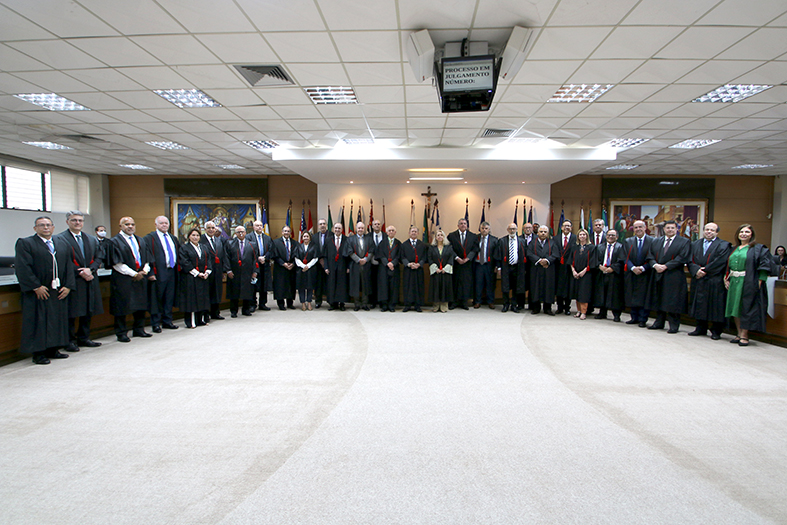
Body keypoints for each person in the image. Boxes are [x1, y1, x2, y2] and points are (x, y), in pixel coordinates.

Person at [15, 216, 75, 364]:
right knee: (39, 322)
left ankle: (54, 349)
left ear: (53, 227)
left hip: (58, 291)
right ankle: (39, 353)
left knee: (57, 320)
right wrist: (35, 286)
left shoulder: (62, 243)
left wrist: (68, 286)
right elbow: (23, 267)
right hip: (39, 291)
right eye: (41, 225)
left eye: (48, 225)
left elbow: (68, 266)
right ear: (35, 228)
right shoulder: (26, 243)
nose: (46, 228)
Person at [56, 210, 103, 351]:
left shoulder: (91, 239)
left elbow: (99, 256)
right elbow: (63, 260)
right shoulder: (60, 239)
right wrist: (81, 271)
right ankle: (69, 340)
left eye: (80, 220)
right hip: (73, 280)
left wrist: (91, 269)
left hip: (90, 279)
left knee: (88, 310)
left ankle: (84, 337)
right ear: (67, 222)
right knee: (72, 312)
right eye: (74, 220)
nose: (77, 223)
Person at [724, 224, 774, 347]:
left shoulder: (758, 249)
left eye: (747, 232)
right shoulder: (733, 248)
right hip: (734, 281)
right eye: (741, 231)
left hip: (748, 281)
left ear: (751, 234)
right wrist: (725, 278)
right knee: (734, 307)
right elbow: (727, 266)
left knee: (746, 307)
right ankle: (739, 332)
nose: (744, 234)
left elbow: (764, 266)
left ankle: (745, 335)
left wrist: (760, 281)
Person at [110, 216, 153, 342]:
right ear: (121, 226)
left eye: (132, 224)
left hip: (140, 277)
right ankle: (121, 332)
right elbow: (116, 263)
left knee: (141, 304)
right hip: (123, 279)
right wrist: (133, 273)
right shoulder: (114, 242)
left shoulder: (140, 240)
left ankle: (139, 329)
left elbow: (147, 259)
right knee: (122, 306)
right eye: (127, 224)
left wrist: (144, 270)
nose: (130, 226)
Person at [687, 223, 732, 340]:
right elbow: (689, 259)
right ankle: (700, 328)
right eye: (707, 229)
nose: (709, 232)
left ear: (717, 232)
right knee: (699, 303)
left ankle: (716, 331)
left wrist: (705, 270)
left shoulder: (724, 245)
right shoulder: (695, 244)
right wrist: (696, 270)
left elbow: (720, 261)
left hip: (714, 279)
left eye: (712, 230)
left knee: (715, 305)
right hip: (698, 278)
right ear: (703, 231)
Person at [646, 220, 690, 333]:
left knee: (673, 300)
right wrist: (655, 265)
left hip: (674, 275)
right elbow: (650, 256)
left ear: (677, 229)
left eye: (672, 228)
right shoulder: (656, 241)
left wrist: (666, 266)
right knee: (658, 298)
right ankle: (659, 322)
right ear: (664, 229)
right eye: (668, 228)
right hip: (658, 273)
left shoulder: (684, 242)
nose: (670, 230)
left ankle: (674, 325)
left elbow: (682, 257)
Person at [144, 216, 179, 332]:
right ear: (156, 225)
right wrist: (150, 272)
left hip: (171, 271)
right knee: (157, 298)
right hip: (158, 272)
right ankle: (155, 323)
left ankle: (167, 321)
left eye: (166, 223)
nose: (164, 225)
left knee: (169, 297)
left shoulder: (173, 238)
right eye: (161, 223)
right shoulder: (150, 238)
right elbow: (147, 257)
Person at [623, 220, 654, 327]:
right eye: (636, 228)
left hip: (645, 273)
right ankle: (634, 317)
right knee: (633, 295)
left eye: (640, 227)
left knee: (643, 296)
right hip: (632, 273)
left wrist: (642, 268)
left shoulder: (652, 241)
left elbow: (653, 257)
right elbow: (624, 257)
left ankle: (643, 319)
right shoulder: (628, 241)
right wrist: (632, 268)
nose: (638, 229)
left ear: (645, 228)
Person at [179, 228, 211, 328]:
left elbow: (208, 260)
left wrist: (207, 272)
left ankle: (200, 319)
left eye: (197, 235)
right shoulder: (184, 248)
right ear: (189, 236)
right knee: (192, 300)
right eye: (193, 235)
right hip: (191, 277)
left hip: (203, 277)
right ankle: (191, 321)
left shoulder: (204, 247)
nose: (195, 237)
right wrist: (197, 273)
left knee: (202, 298)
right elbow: (185, 262)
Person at [224, 225, 258, 317]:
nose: (241, 233)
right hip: (234, 272)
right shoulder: (230, 243)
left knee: (247, 292)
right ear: (235, 234)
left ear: (245, 233)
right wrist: (228, 270)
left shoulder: (252, 244)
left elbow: (255, 259)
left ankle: (246, 310)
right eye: (239, 232)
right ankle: (234, 311)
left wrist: (255, 271)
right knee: (234, 292)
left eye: (242, 231)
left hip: (248, 272)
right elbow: (226, 258)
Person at [594, 229, 625, 322]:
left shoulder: (621, 247)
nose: (610, 237)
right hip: (602, 273)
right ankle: (602, 312)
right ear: (606, 236)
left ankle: (616, 315)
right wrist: (599, 266)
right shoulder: (599, 247)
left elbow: (621, 260)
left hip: (614, 274)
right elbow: (595, 259)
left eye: (613, 235)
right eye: (609, 235)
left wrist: (612, 268)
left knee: (615, 295)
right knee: (602, 293)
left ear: (617, 237)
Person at [496, 223, 528, 313]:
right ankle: (506, 304)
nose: (512, 231)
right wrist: (499, 267)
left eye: (514, 229)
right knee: (505, 287)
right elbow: (498, 255)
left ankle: (514, 305)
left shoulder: (522, 241)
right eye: (510, 229)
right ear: (507, 230)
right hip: (506, 267)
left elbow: (525, 255)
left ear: (517, 230)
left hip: (517, 268)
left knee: (516, 287)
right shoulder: (502, 241)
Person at [447, 218, 477, 310]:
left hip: (467, 264)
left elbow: (475, 249)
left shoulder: (473, 236)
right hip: (456, 263)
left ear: (467, 225)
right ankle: (454, 302)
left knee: (466, 283)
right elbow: (449, 248)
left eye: (465, 223)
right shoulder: (451, 236)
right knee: (455, 282)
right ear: (458, 225)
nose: (463, 225)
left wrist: (468, 258)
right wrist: (457, 258)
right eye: (461, 223)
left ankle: (464, 302)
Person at [528, 225, 557, 315]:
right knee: (535, 287)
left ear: (548, 233)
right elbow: (529, 253)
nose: (543, 233)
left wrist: (547, 261)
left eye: (545, 232)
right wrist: (539, 260)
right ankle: (536, 308)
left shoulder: (552, 243)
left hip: (548, 269)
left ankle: (547, 308)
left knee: (548, 288)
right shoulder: (532, 243)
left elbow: (555, 254)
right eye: (541, 231)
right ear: (538, 233)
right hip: (536, 269)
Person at [200, 221, 226, 320]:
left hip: (218, 270)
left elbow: (222, 255)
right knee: (207, 292)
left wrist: (224, 270)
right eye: (209, 228)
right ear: (205, 229)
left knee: (217, 291)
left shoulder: (218, 240)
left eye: (213, 228)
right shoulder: (201, 240)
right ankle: (206, 314)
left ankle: (216, 313)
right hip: (206, 271)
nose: (211, 230)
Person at [400, 226, 428, 312]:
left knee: (418, 287)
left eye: (415, 231)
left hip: (418, 269)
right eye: (412, 231)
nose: (413, 233)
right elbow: (402, 257)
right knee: (407, 287)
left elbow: (425, 257)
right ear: (409, 233)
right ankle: (407, 305)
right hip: (408, 269)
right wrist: (408, 264)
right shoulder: (404, 245)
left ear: (418, 233)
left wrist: (420, 264)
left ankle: (417, 305)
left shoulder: (422, 245)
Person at [347, 222, 373, 311]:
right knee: (355, 285)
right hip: (355, 265)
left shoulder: (369, 239)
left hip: (366, 265)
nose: (360, 230)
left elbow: (371, 251)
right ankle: (357, 304)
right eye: (359, 228)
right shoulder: (351, 239)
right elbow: (350, 251)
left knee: (366, 284)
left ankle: (365, 304)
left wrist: (365, 259)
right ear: (356, 229)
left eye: (362, 228)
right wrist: (358, 260)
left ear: (364, 229)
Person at [323, 222, 349, 311]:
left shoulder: (346, 240)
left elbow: (349, 255)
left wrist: (348, 267)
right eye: (336, 228)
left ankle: (342, 303)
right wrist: (325, 267)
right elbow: (325, 255)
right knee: (332, 284)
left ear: (342, 230)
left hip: (343, 265)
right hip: (331, 266)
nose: (337, 230)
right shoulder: (328, 240)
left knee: (341, 285)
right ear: (333, 229)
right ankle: (332, 304)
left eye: (339, 228)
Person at [375, 225, 401, 312]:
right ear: (386, 232)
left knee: (393, 286)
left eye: (392, 230)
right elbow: (380, 255)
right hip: (383, 268)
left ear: (395, 232)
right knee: (383, 286)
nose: (391, 232)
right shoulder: (382, 243)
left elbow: (399, 255)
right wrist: (387, 263)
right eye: (389, 230)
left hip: (394, 268)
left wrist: (393, 263)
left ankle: (392, 305)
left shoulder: (398, 243)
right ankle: (384, 305)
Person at [553, 219, 577, 315]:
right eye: (565, 226)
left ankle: (567, 307)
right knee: (559, 287)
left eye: (569, 226)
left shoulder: (575, 238)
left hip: (570, 266)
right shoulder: (555, 238)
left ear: (571, 228)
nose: (566, 227)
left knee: (568, 288)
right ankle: (559, 307)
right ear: (561, 228)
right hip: (558, 266)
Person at [271, 225, 298, 310]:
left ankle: (290, 303)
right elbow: (274, 255)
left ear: (290, 233)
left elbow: (298, 255)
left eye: (288, 231)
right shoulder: (275, 242)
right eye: (285, 231)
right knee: (280, 286)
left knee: (291, 285)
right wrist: (283, 264)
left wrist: (293, 264)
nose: (286, 233)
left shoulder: (295, 243)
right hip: (280, 268)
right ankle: (281, 304)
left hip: (291, 268)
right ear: (282, 232)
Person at [428, 230, 455, 312]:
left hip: (445, 271)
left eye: (441, 235)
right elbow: (430, 259)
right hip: (436, 271)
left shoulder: (449, 247)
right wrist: (435, 268)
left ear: (444, 237)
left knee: (445, 289)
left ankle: (444, 306)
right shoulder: (431, 248)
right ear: (435, 237)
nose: (440, 236)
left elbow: (451, 258)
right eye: (438, 235)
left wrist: (445, 269)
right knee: (436, 289)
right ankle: (436, 306)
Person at [248, 220, 272, 312]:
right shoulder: (248, 237)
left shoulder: (267, 238)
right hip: (254, 264)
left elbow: (271, 249)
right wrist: (257, 258)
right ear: (253, 227)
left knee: (264, 284)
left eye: (260, 225)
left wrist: (264, 257)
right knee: (253, 284)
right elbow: (248, 250)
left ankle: (263, 303)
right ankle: (253, 304)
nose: (259, 227)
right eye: (257, 225)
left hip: (264, 264)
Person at [570, 228, 594, 320]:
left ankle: (584, 312)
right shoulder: (574, 247)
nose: (582, 236)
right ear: (578, 236)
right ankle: (579, 310)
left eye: (584, 234)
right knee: (577, 292)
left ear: (587, 236)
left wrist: (584, 271)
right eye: (580, 235)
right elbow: (571, 260)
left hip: (586, 274)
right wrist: (574, 271)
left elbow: (592, 262)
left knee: (584, 293)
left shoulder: (591, 247)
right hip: (576, 274)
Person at [473, 221, 497, 309]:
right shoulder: (476, 238)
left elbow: (496, 254)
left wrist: (496, 266)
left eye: (486, 228)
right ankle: (477, 301)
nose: (484, 230)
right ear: (480, 229)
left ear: (489, 229)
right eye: (482, 228)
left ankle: (490, 301)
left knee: (490, 284)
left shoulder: (494, 240)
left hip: (489, 265)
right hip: (478, 264)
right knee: (478, 284)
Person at [295, 231, 319, 310]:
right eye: (304, 236)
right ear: (302, 238)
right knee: (301, 287)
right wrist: (303, 266)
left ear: (310, 238)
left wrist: (308, 266)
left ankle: (309, 302)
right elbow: (296, 258)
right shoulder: (298, 246)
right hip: (301, 270)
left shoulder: (314, 246)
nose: (306, 238)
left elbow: (315, 258)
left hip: (311, 269)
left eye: (307, 236)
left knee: (310, 286)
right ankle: (303, 303)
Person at [313, 218, 330, 307]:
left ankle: (330, 300)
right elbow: (313, 250)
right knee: (318, 283)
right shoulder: (314, 236)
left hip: (329, 264)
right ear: (318, 226)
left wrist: (325, 260)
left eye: (324, 223)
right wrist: (320, 259)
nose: (322, 225)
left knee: (329, 282)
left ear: (326, 225)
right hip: (317, 264)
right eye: (320, 224)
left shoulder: (332, 235)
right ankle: (318, 301)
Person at [368, 219, 384, 308]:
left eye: (378, 224)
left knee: (382, 283)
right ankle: (372, 302)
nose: (377, 225)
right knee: (372, 283)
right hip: (371, 263)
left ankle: (381, 301)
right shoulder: (368, 236)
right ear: (372, 226)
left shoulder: (385, 236)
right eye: (375, 224)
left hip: (382, 263)